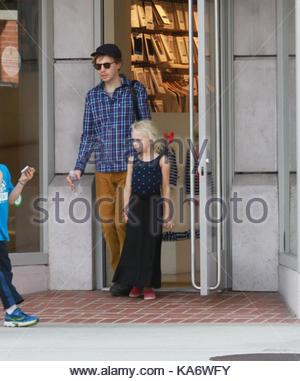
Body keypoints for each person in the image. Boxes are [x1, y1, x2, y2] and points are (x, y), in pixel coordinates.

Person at [66, 44, 151, 296]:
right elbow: (88, 135)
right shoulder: (93, 96)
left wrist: (145, 162)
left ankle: (130, 277)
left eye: (106, 65)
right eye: (98, 66)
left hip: (129, 168)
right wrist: (78, 168)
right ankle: (121, 274)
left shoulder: (135, 91)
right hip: (103, 169)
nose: (101, 70)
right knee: (107, 225)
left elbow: (146, 128)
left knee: (122, 223)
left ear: (118, 65)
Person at [112, 120, 174, 300]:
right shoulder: (132, 160)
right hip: (136, 205)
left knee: (151, 245)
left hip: (154, 205)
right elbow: (128, 187)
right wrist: (125, 210)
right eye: (133, 140)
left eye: (138, 139)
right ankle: (135, 284)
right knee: (133, 245)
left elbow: (166, 189)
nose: (135, 144)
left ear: (150, 139)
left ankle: (148, 285)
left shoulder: (162, 161)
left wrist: (167, 214)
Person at [0, 164, 39, 327]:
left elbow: (10, 200)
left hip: (1, 234)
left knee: (6, 273)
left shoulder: (3, 169)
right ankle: (12, 311)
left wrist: (22, 182)